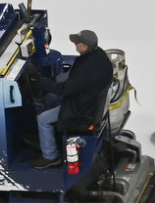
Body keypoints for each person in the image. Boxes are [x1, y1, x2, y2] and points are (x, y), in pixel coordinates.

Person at [32, 30, 114, 169]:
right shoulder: (99, 54)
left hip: (81, 109)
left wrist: (42, 82)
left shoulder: (87, 70)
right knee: (50, 98)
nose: (75, 45)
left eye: (77, 43)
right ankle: (46, 138)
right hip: (88, 99)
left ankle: (51, 156)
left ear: (84, 47)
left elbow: (65, 90)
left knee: (42, 119)